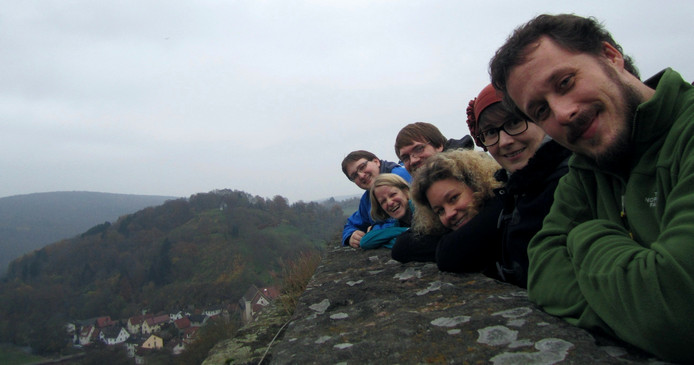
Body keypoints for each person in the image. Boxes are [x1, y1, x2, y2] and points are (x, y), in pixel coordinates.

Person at [489, 13, 694, 362]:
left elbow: (678, 314)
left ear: (610, 56)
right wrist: (639, 309)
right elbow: (543, 272)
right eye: (541, 110)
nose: (563, 112)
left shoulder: (684, 135)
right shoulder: (585, 169)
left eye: (566, 82)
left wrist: (586, 236)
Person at [436, 83, 571, 287]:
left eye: (515, 122)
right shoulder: (510, 188)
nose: (504, 141)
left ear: (540, 117)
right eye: (491, 132)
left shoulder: (569, 179)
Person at [391, 149, 501, 263]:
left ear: (476, 185)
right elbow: (402, 246)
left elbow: (448, 252)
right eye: (440, 211)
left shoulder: (505, 209)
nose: (449, 214)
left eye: (453, 198)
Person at [341, 150, 411, 248]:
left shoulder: (400, 177)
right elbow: (353, 222)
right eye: (355, 176)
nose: (361, 176)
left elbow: (399, 223)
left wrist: (375, 229)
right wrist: (350, 235)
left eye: (362, 167)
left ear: (376, 162)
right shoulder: (368, 197)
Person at [394, 122, 474, 173]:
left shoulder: (470, 174)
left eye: (418, 149)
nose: (413, 161)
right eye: (405, 158)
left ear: (439, 145)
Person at [359, 174, 413, 250]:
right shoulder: (398, 224)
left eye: (393, 195)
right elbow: (365, 242)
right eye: (383, 201)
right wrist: (406, 231)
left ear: (405, 191)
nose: (390, 203)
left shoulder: (421, 210)